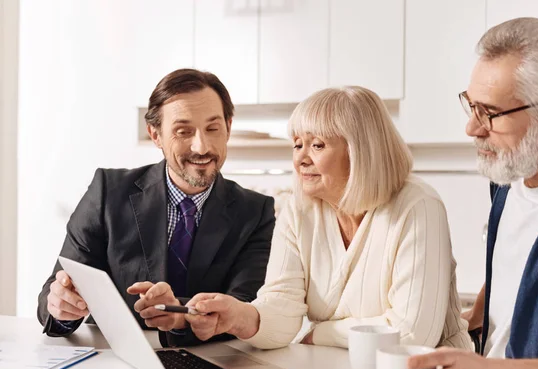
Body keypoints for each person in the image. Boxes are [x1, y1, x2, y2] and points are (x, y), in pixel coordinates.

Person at [171, 86, 472, 350]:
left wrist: (321, 333)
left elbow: (411, 333)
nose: (301, 158)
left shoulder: (418, 205)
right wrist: (238, 317)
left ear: (360, 151)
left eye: (317, 145)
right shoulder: (299, 209)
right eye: (297, 144)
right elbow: (282, 307)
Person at [399, 17, 538, 369]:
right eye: (471, 106)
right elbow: (529, 265)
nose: (472, 129)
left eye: (490, 113)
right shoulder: (509, 176)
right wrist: (477, 316)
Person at [37, 69, 276, 347]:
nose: (201, 146)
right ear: (155, 134)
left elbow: (245, 306)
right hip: (115, 362)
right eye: (183, 131)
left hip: (211, 363)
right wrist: (63, 308)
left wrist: (179, 315)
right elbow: (56, 289)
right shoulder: (108, 191)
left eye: (213, 129)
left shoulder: (255, 211)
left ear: (228, 127)